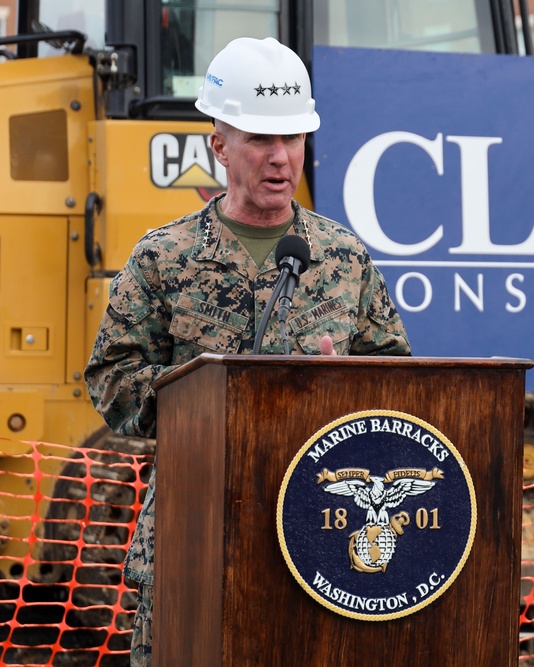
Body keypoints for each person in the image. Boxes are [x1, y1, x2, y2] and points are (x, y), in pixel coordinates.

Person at [84, 37, 410, 666]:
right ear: (220, 146)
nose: (281, 157)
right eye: (260, 139)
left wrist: (348, 387)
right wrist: (200, 393)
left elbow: (398, 382)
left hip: (320, 543)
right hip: (194, 537)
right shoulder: (164, 257)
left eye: (293, 137)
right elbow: (111, 378)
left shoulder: (344, 258)